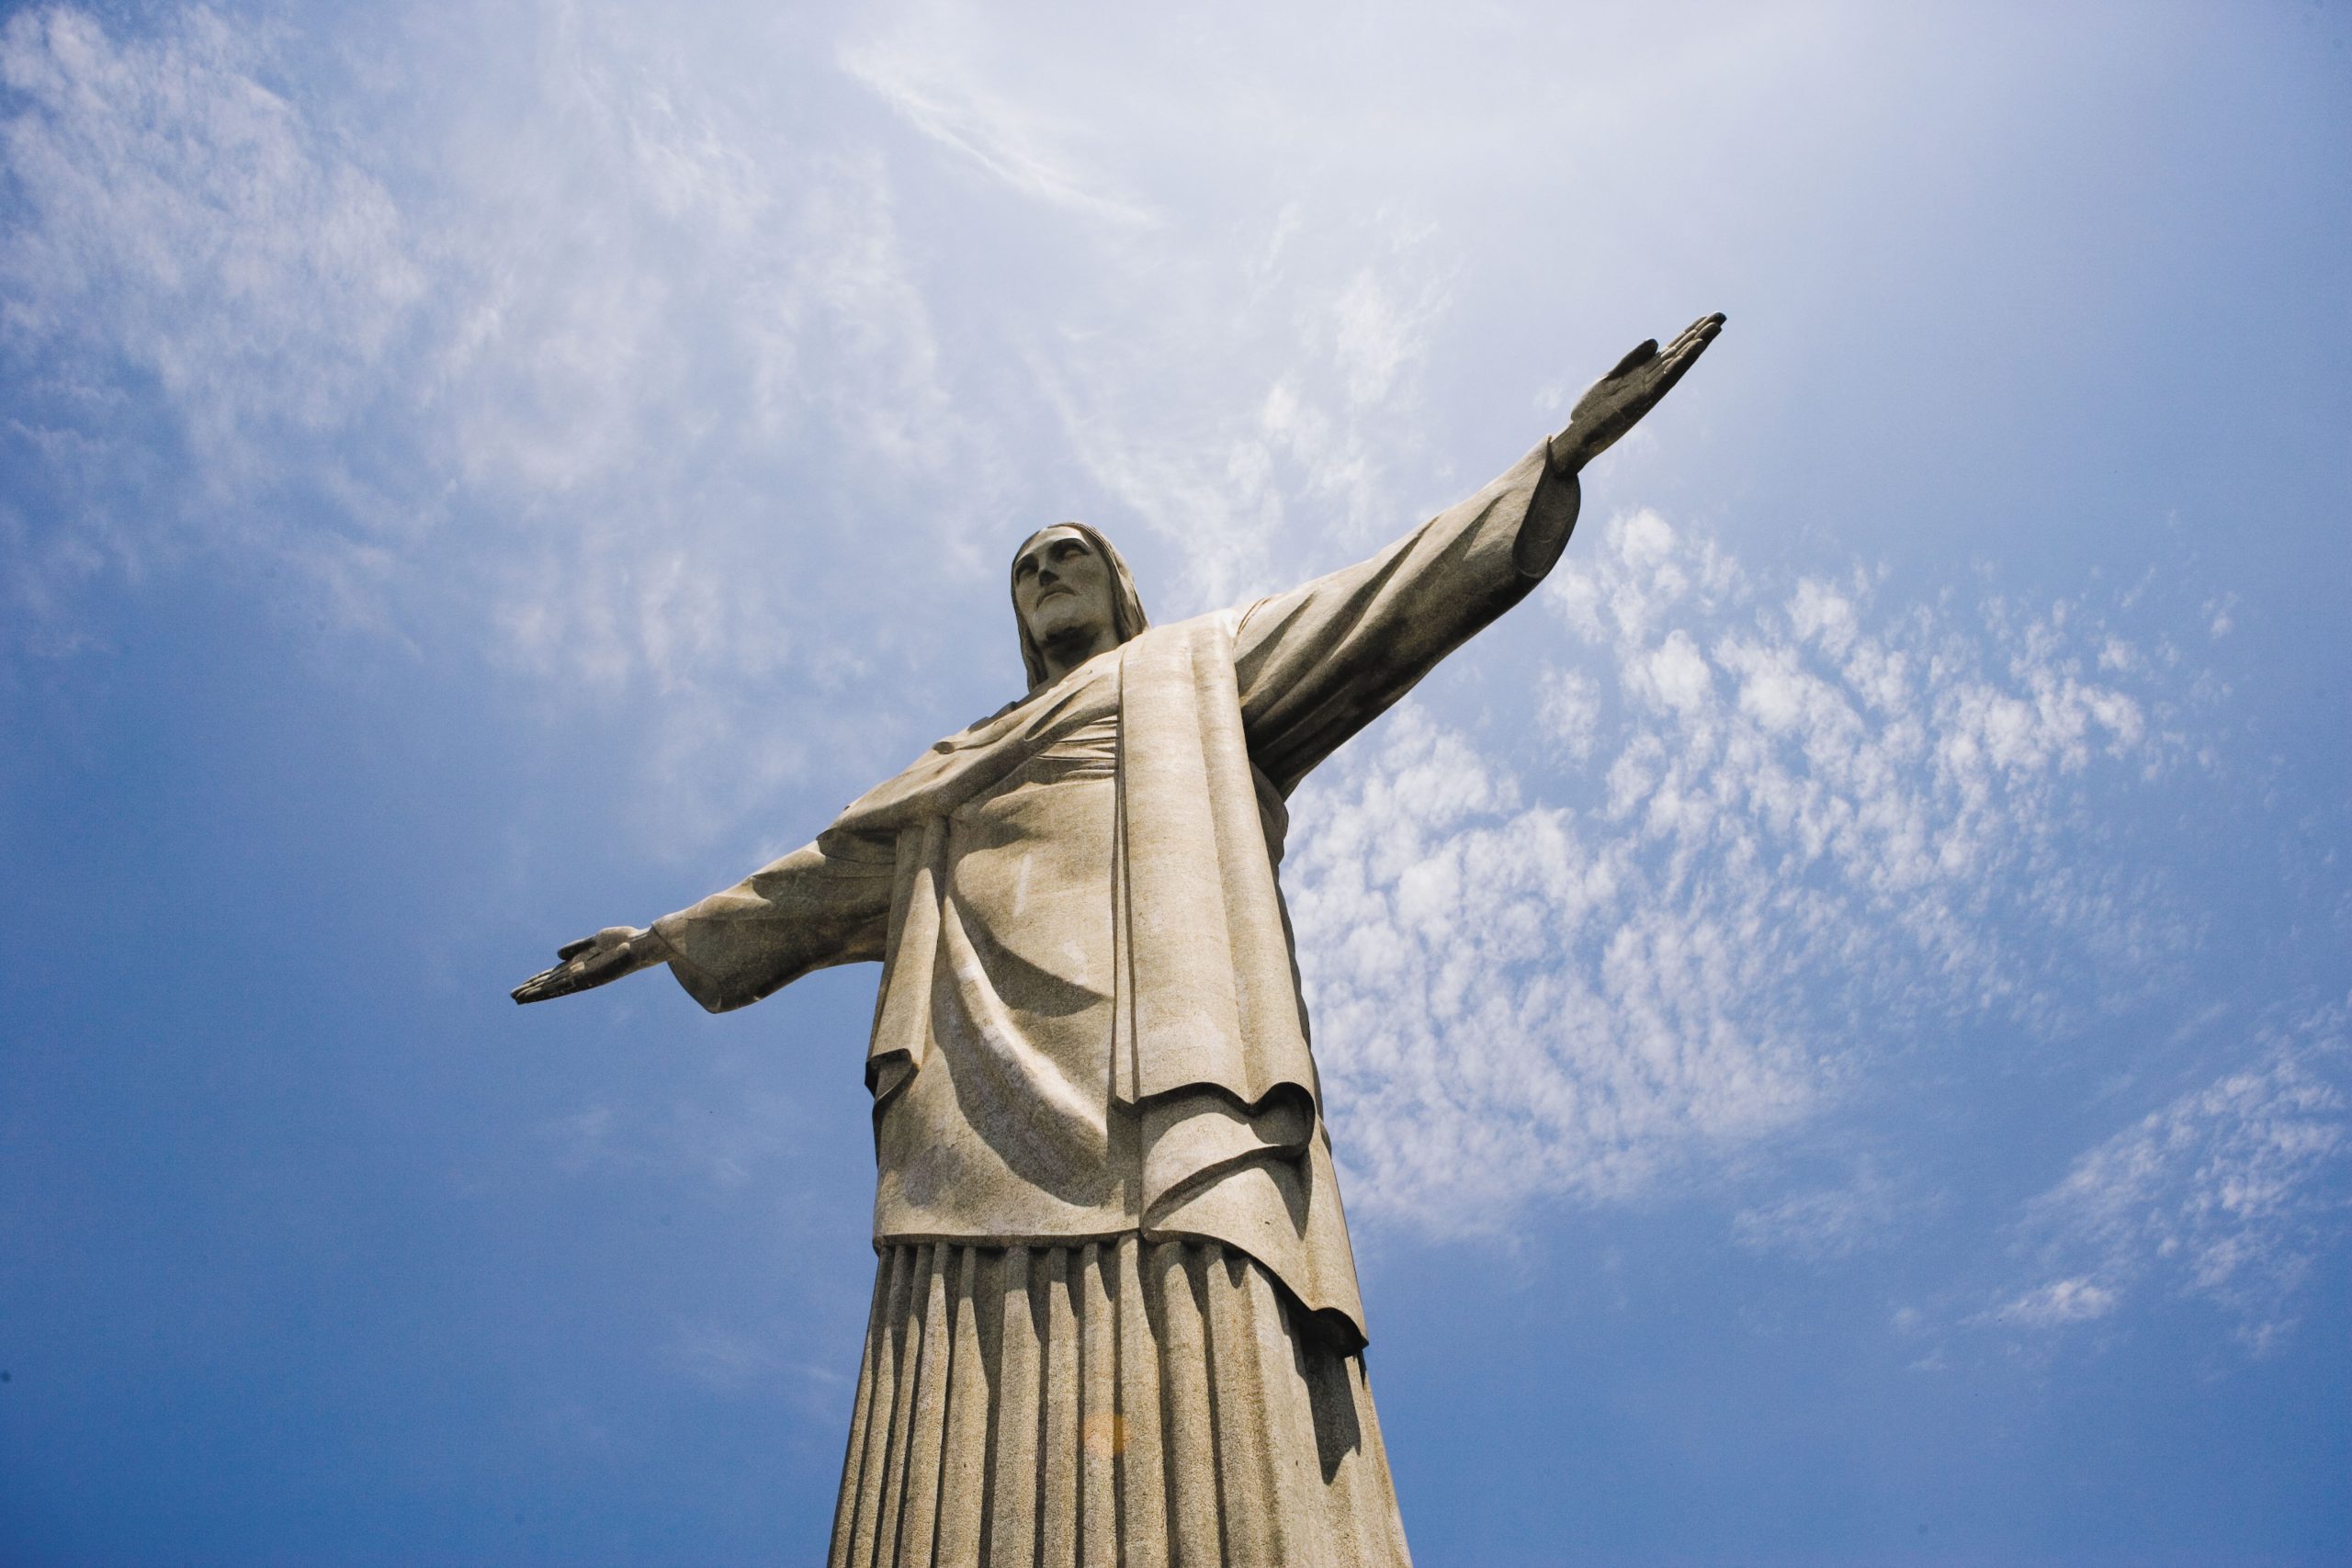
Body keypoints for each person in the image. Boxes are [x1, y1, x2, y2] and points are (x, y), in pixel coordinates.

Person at [515, 314, 1723, 1568]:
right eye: (1026, 568)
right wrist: (662, 938)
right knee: (950, 1339)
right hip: (975, 1078)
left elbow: (1381, 601)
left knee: (1214, 1286)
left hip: (1170, 1041)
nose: (1045, 574)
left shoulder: (1198, 670)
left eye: (1069, 555)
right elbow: (820, 885)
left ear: (1119, 583)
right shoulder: (956, 765)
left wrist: (1551, 462)